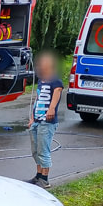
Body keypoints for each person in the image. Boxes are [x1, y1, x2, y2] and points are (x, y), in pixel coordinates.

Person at [26, 51, 64, 189]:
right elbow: (37, 99)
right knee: (35, 150)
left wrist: (51, 109)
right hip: (37, 120)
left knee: (43, 150)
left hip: (47, 122)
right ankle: (38, 176)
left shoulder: (55, 80)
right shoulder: (42, 80)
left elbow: (57, 92)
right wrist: (32, 118)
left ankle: (45, 179)